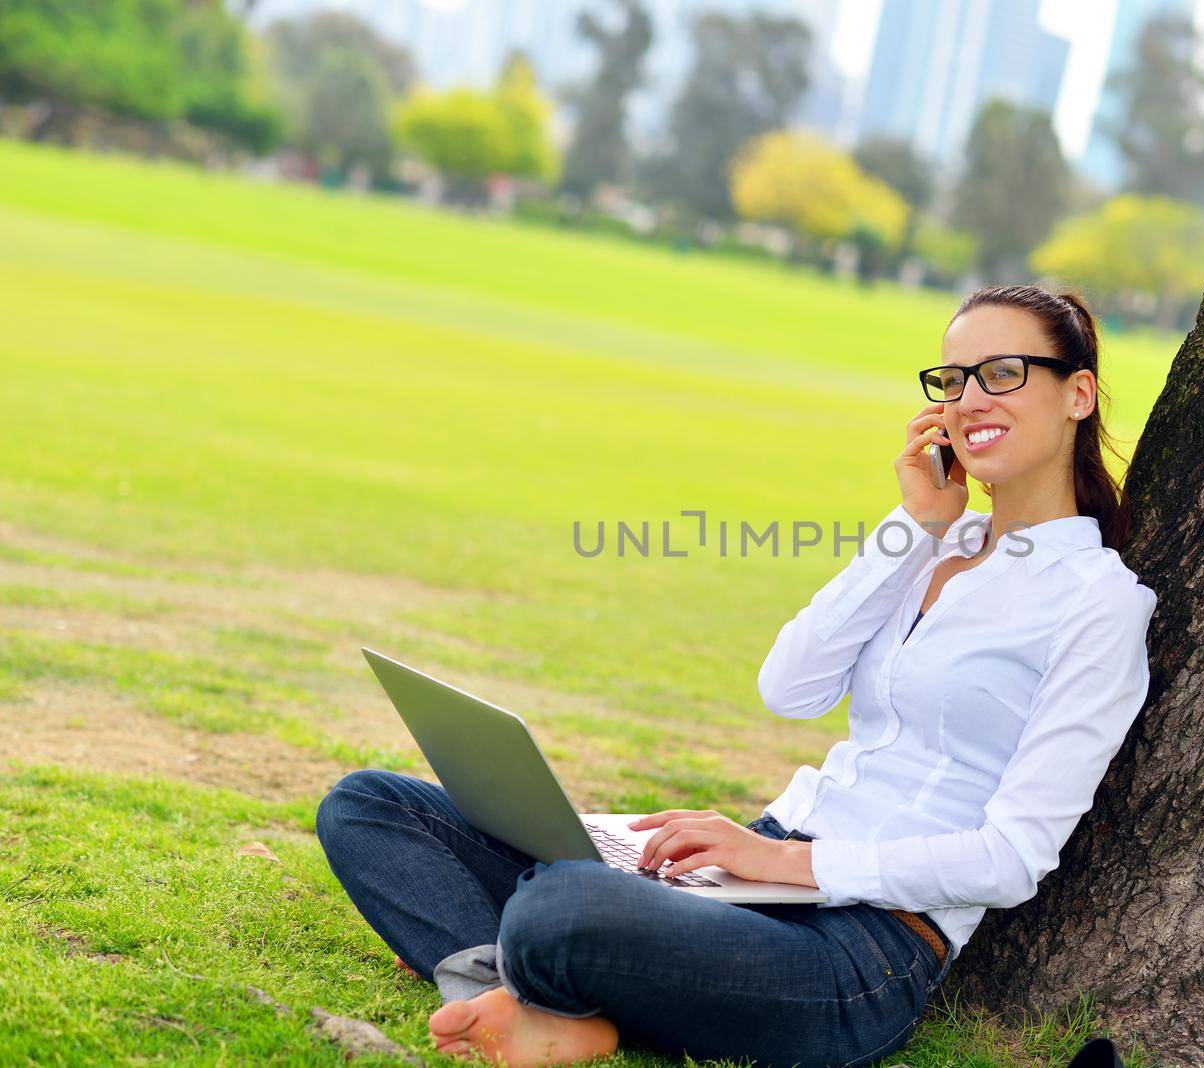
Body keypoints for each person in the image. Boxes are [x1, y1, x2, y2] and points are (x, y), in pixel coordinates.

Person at [314, 283, 1158, 1067]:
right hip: (750, 875)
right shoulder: (937, 543)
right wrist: (915, 523)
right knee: (371, 805)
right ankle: (524, 991)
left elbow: (1012, 858)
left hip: (863, 947)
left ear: (1076, 394)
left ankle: (508, 965)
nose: (970, 398)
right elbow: (788, 688)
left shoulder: (1098, 602)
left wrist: (779, 862)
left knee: (558, 905)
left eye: (1003, 373)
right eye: (954, 378)